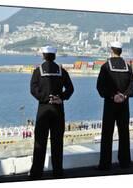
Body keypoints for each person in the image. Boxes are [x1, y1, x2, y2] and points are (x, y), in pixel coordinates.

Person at [29, 46, 74, 179]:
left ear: (43, 55)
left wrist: (45, 98)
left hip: (43, 108)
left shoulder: (38, 71)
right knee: (57, 142)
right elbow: (70, 88)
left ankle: (36, 173)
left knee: (40, 142)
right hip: (58, 109)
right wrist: (61, 98)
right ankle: (58, 172)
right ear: (54, 56)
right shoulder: (62, 71)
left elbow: (33, 89)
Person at [96, 41, 133, 170]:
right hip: (124, 105)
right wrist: (124, 96)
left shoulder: (105, 66)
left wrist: (113, 96)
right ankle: (125, 163)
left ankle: (105, 164)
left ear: (111, 51)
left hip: (110, 104)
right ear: (121, 51)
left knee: (107, 133)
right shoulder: (127, 67)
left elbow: (100, 86)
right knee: (124, 133)